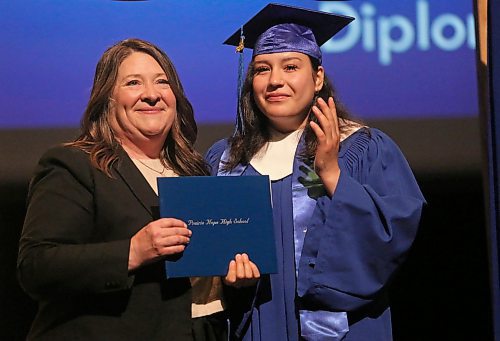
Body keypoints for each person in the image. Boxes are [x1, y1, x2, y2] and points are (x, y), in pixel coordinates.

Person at [206, 4, 426, 341]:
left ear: (318, 77)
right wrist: (230, 281)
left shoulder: (361, 148)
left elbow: (392, 238)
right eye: (262, 69)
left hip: (340, 331)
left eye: (291, 66)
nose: (275, 80)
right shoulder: (226, 161)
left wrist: (332, 173)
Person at [17, 38, 226, 340]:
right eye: (133, 83)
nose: (151, 95)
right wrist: (132, 252)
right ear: (107, 99)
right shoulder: (75, 165)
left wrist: (234, 279)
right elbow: (36, 267)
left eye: (162, 82)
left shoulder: (196, 173)